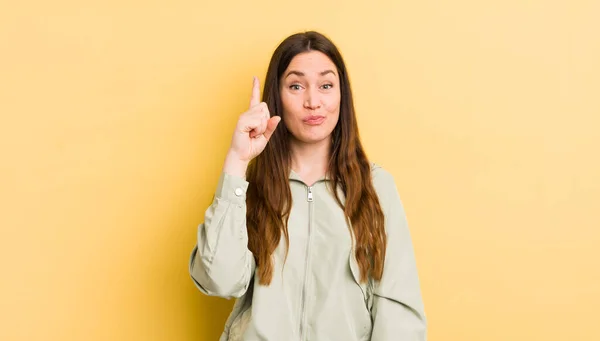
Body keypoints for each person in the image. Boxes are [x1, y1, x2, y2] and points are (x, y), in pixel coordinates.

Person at [188, 31, 426, 341]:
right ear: (277, 97)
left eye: (326, 85)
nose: (313, 102)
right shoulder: (248, 187)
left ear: (342, 96)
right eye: (296, 86)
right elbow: (219, 280)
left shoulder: (376, 187)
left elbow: (398, 309)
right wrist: (236, 161)